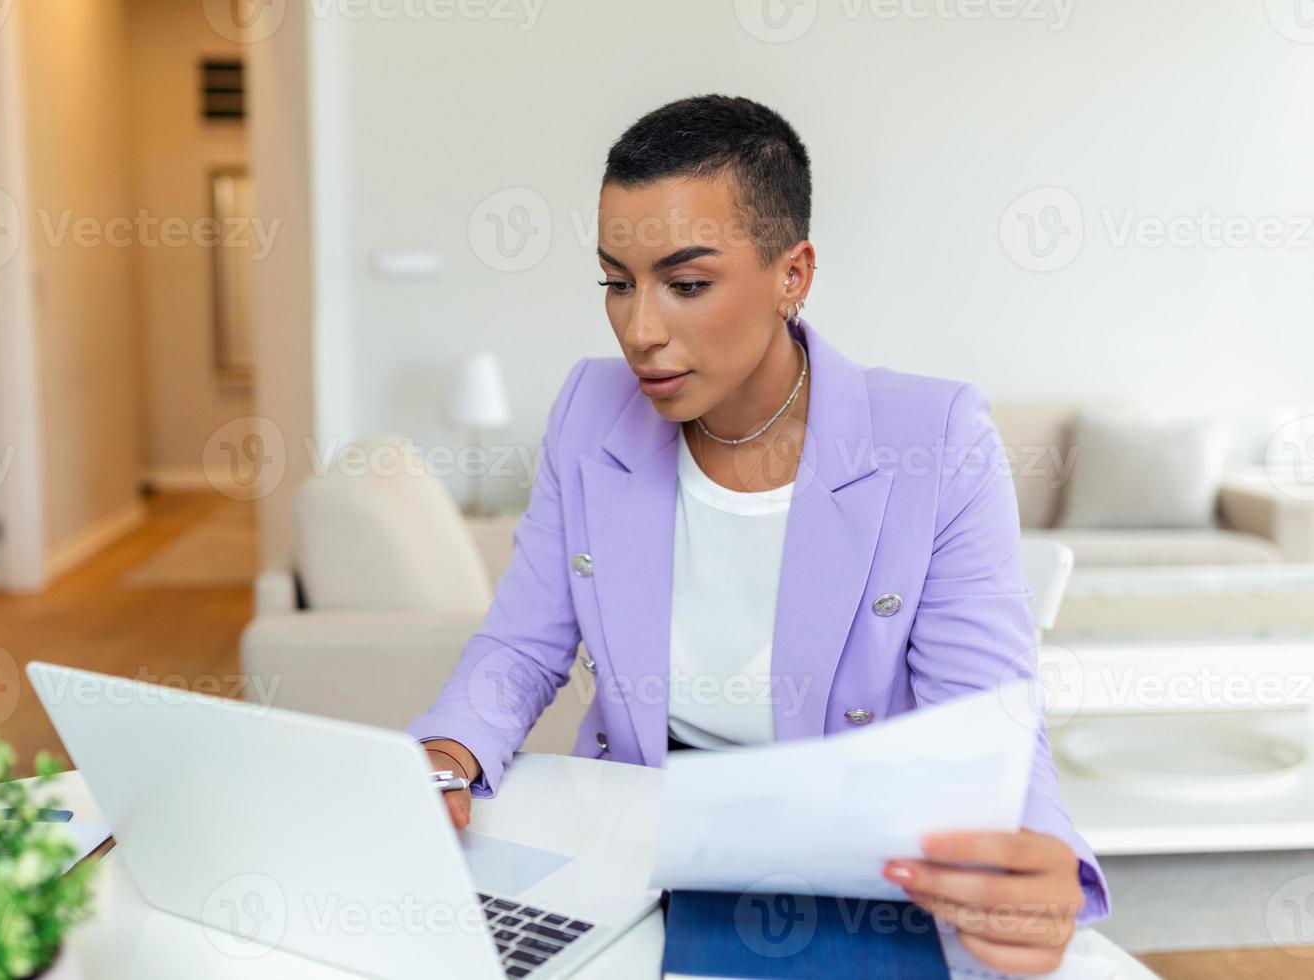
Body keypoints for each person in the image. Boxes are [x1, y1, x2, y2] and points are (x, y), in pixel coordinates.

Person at [409, 94, 1107, 974]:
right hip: (643, 845)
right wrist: (445, 754)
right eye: (616, 283)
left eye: (687, 284)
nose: (640, 330)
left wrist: (1036, 856)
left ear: (793, 274)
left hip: (851, 859)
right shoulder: (590, 411)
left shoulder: (934, 435)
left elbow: (987, 717)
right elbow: (522, 644)